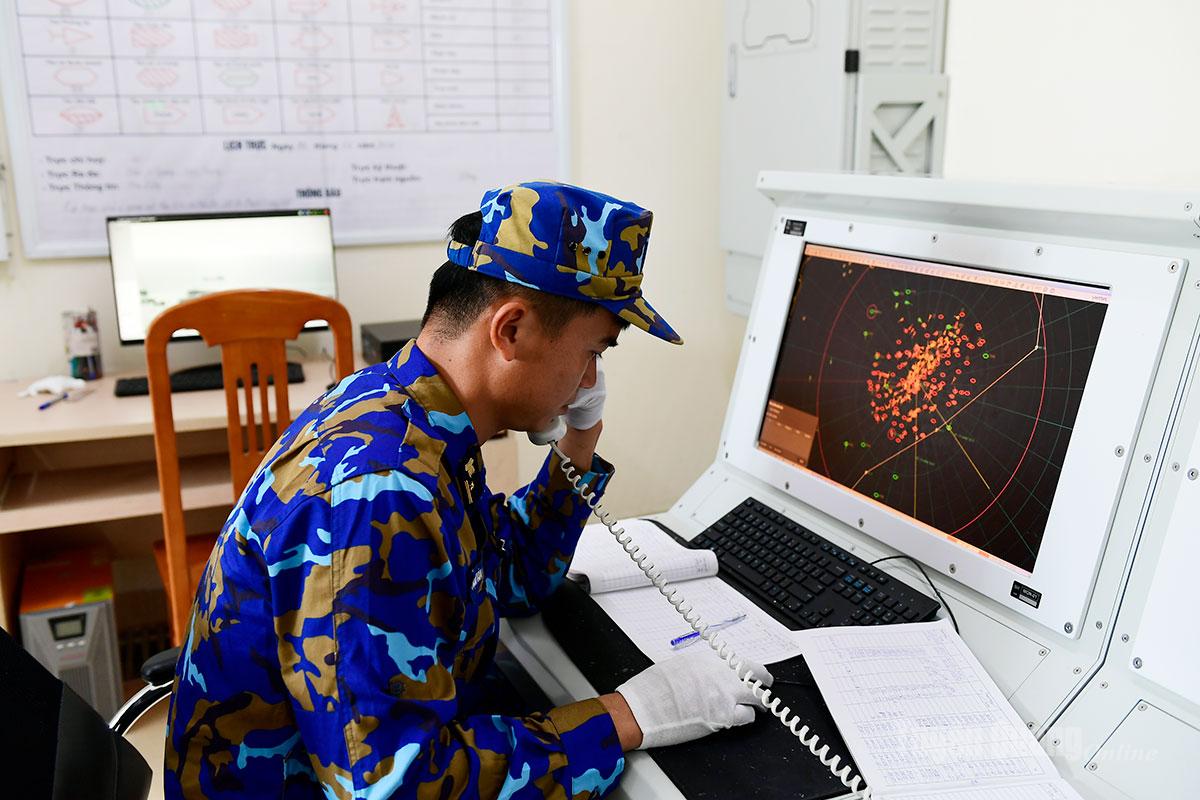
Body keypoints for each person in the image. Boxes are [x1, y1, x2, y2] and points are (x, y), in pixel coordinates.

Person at [165, 181, 773, 799]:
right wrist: (627, 716)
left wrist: (580, 434)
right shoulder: (382, 489)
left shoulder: (409, 410)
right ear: (510, 331)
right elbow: (397, 789)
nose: (591, 376)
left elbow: (512, 575)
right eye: (592, 351)